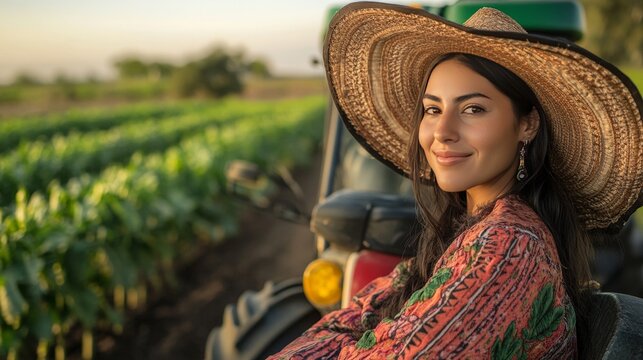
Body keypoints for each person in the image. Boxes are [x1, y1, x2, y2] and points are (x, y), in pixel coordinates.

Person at [269, 3, 643, 359]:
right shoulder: (460, 235)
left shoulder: (508, 250)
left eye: (472, 109)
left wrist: (345, 339)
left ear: (527, 124)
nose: (442, 132)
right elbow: (359, 311)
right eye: (433, 109)